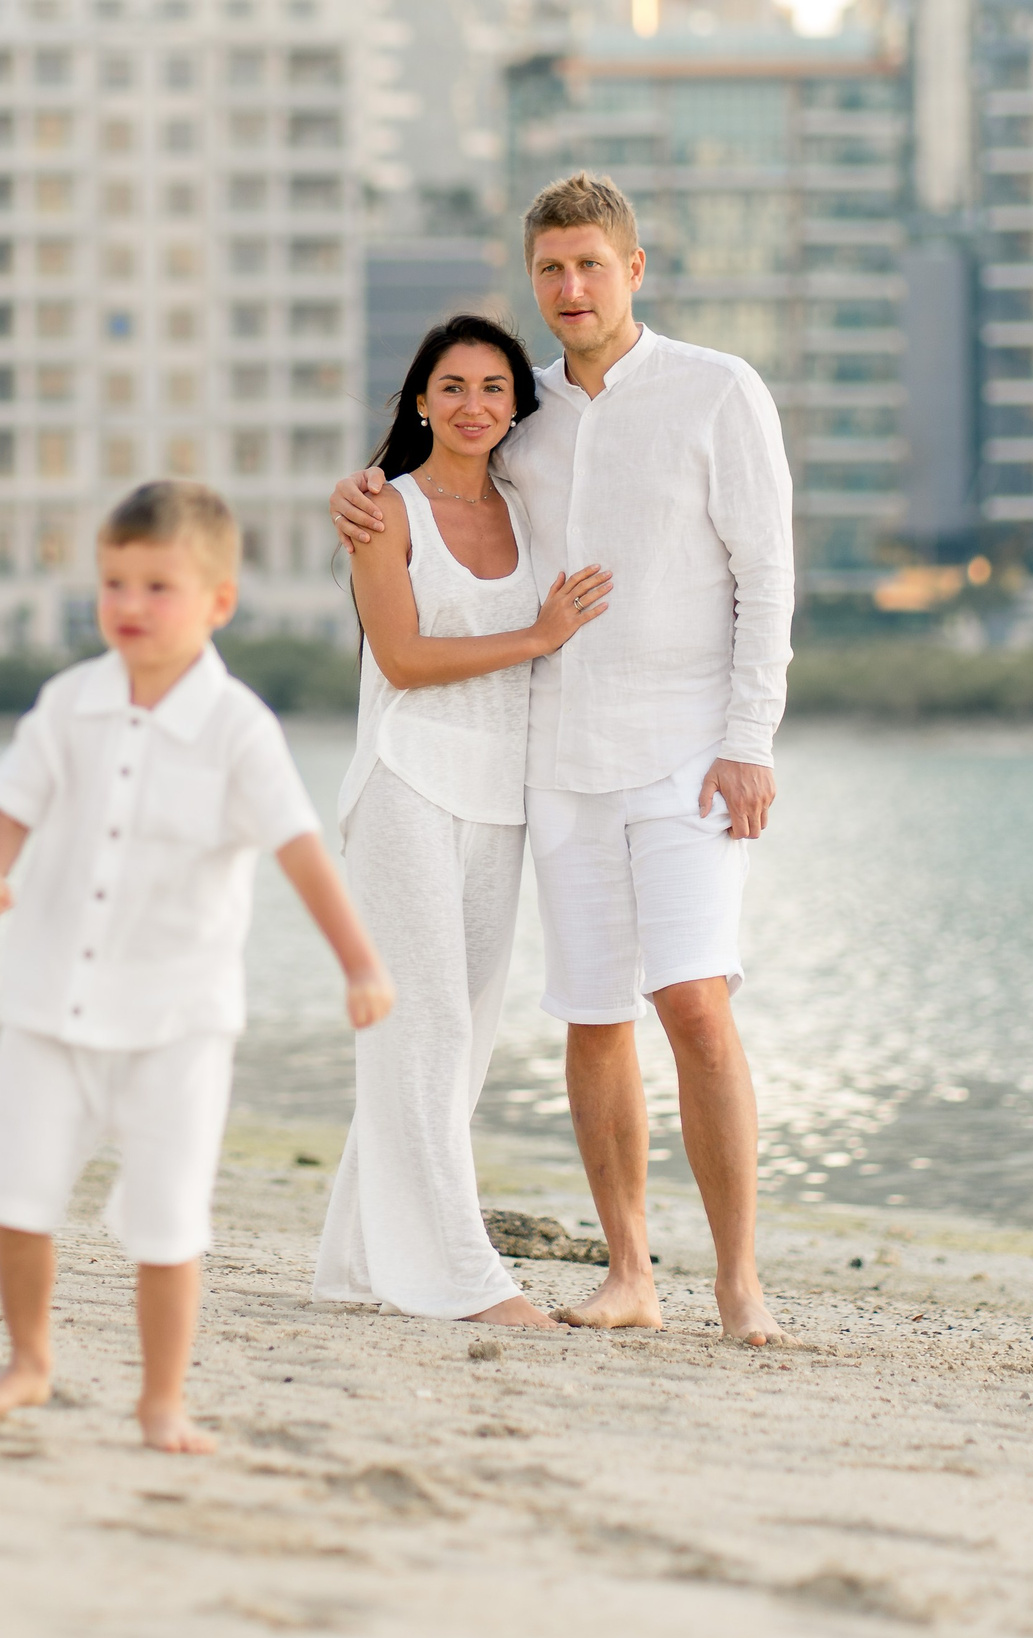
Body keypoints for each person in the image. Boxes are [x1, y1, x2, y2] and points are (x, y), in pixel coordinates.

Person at [331, 173, 794, 1346]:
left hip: (690, 754)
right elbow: (443, 476)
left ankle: (738, 1284)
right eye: (549, 269)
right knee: (592, 1015)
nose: (570, 287)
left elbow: (766, 575)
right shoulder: (521, 410)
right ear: (532, 279)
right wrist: (361, 487)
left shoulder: (716, 391)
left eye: (591, 264)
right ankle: (630, 1272)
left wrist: (750, 741)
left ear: (634, 269)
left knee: (692, 1001)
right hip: (556, 763)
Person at [0, 481, 395, 1453]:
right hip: (48, 1002)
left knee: (168, 1219)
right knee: (18, 1195)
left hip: (178, 1018)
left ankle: (162, 1401)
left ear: (216, 602)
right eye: (115, 582)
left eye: (158, 585)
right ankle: (29, 1359)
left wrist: (359, 963)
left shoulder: (238, 727)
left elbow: (300, 852)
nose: (130, 605)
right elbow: (10, 800)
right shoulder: (68, 701)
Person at [312, 316, 610, 1328]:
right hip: (404, 784)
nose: (474, 403)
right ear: (420, 401)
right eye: (452, 385)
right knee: (427, 1026)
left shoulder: (532, 506)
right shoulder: (384, 510)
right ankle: (465, 1278)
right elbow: (399, 659)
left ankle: (361, 1256)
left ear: (513, 407)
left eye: (493, 386)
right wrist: (537, 635)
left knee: (460, 1042)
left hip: (500, 796)